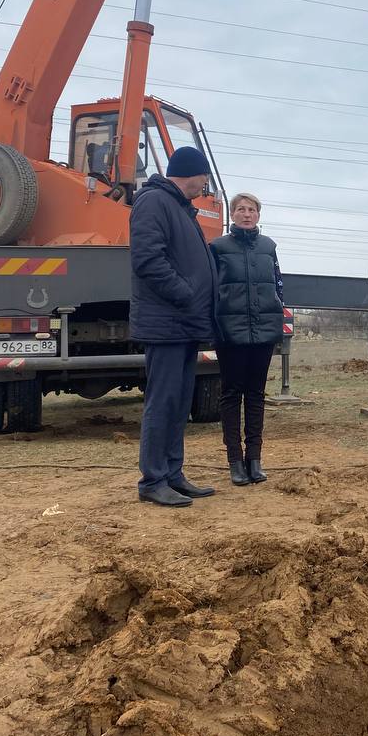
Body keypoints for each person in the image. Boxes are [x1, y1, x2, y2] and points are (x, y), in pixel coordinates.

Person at [129, 145, 220, 507]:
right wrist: (185, 294)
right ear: (191, 172)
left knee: (180, 401)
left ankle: (173, 473)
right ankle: (153, 479)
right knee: (163, 401)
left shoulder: (181, 208)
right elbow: (148, 259)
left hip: (183, 323)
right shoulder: (154, 202)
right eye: (204, 177)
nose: (206, 184)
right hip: (166, 321)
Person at [212, 192, 285, 486]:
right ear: (232, 214)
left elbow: (278, 284)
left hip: (264, 331)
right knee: (232, 395)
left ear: (258, 215)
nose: (246, 214)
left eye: (251, 209)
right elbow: (211, 289)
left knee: (256, 395)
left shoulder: (269, 247)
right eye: (240, 209)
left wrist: (278, 314)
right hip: (230, 332)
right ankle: (235, 461)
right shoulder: (217, 247)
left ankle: (255, 459)